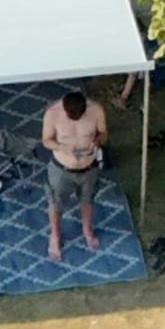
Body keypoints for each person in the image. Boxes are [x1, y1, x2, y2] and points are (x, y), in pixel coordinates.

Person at [39, 87, 110, 263]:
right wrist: (62, 147)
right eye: (72, 116)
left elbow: (104, 133)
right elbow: (46, 140)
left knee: (87, 200)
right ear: (64, 109)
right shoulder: (52, 114)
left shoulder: (96, 110)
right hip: (61, 168)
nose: (75, 118)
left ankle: (87, 229)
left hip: (89, 167)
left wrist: (97, 142)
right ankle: (54, 235)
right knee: (55, 203)